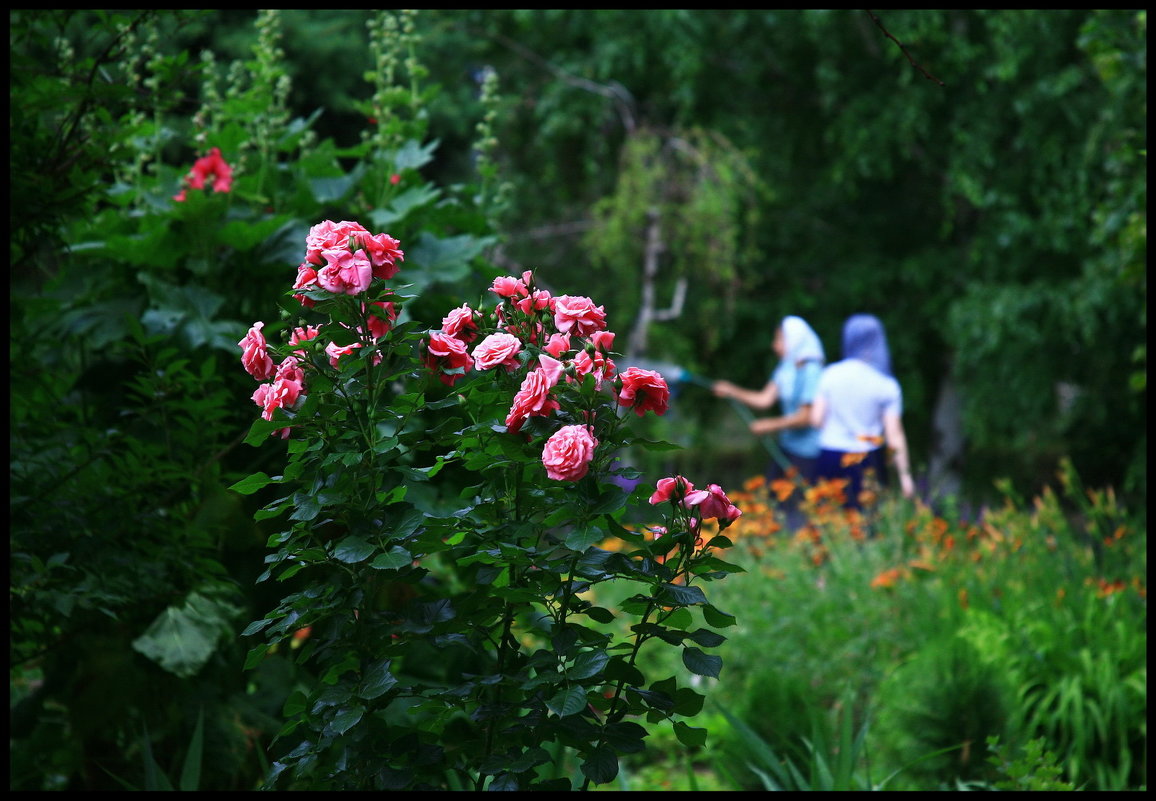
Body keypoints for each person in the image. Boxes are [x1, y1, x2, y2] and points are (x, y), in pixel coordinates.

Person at [810, 313, 915, 510]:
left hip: (830, 454)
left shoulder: (830, 374)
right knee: (866, 522)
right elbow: (894, 435)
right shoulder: (885, 383)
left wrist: (838, 429)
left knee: (827, 521)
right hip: (868, 459)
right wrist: (905, 476)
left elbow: (816, 419)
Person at [712, 315, 826, 485]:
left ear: (795, 339)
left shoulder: (811, 370)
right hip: (787, 447)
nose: (775, 345)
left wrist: (769, 425)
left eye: (780, 339)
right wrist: (731, 390)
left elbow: (806, 417)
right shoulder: (786, 366)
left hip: (807, 453)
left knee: (796, 506)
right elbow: (764, 399)